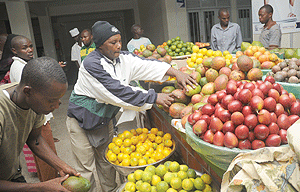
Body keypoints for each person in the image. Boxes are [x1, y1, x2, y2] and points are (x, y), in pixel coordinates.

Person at [66, 21, 197, 192]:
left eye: (119, 40)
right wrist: (154, 96)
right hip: (81, 121)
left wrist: (176, 72)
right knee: (85, 170)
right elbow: (116, 92)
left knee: (107, 165)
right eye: (113, 42)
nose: (119, 46)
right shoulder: (91, 65)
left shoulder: (123, 58)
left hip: (104, 120)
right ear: (99, 45)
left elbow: (146, 64)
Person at [0, 56, 79, 191]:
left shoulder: (33, 101)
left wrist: (61, 166)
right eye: (51, 101)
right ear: (28, 91)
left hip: (11, 175)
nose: (56, 106)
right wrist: (39, 187)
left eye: (59, 101)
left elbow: (34, 138)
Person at [9, 35, 61, 182]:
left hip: (36, 115)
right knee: (47, 158)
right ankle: (50, 181)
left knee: (44, 154)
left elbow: (35, 140)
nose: (30, 50)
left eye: (31, 46)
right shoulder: (19, 68)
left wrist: (61, 166)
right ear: (14, 50)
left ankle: (47, 180)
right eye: (25, 47)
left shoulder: (24, 65)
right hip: (35, 116)